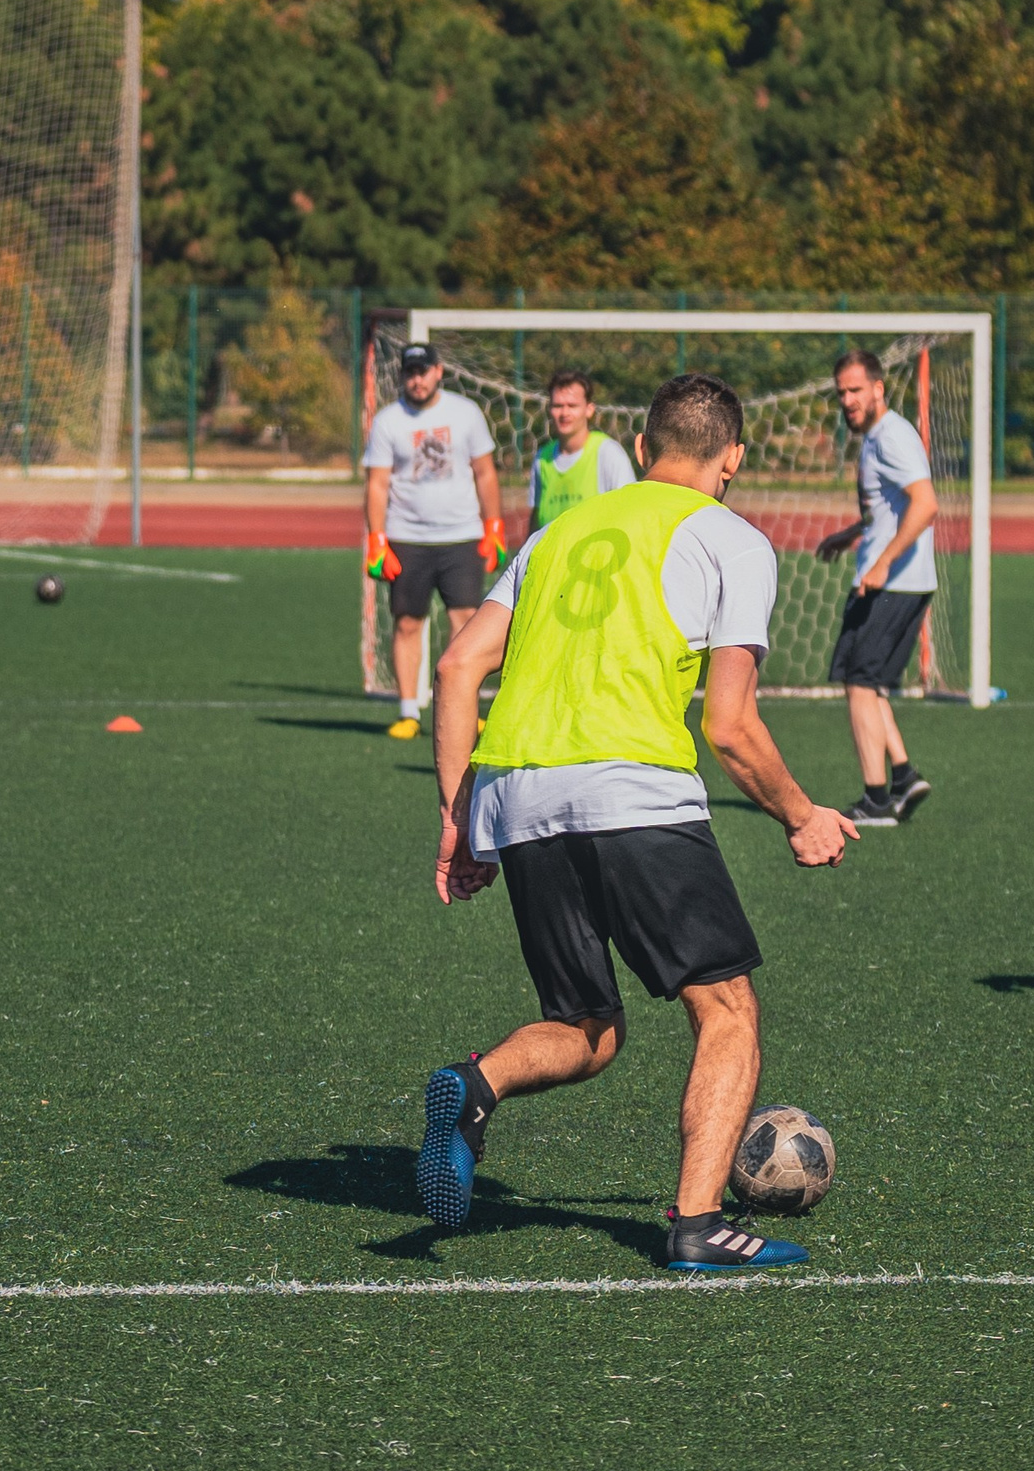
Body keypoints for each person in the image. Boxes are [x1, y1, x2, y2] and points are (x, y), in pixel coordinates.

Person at [420, 373, 860, 1272]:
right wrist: (800, 813)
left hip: (518, 792)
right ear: (732, 456)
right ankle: (697, 1224)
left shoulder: (554, 535)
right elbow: (729, 727)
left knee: (589, 1025)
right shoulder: (731, 538)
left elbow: (459, 665)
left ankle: (473, 1086)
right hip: (634, 790)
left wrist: (457, 812)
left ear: (643, 442)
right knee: (726, 1008)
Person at [815, 349, 937, 827]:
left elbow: (925, 505)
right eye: (842, 391)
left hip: (894, 582)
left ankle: (876, 800)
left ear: (879, 388)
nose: (847, 399)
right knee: (866, 681)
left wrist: (884, 563)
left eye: (856, 390)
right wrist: (851, 535)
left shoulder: (892, 436)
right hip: (890, 579)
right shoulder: (872, 438)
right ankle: (904, 777)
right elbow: (885, 512)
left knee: (860, 683)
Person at [363, 342, 505, 740]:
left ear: (438, 371)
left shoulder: (465, 413)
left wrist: (493, 527)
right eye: (410, 372)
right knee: (408, 622)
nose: (417, 379)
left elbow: (485, 473)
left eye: (423, 371)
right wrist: (377, 538)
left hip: (462, 536)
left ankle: (468, 708)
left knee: (466, 622)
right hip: (407, 537)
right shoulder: (389, 421)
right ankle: (409, 710)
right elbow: (376, 484)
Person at [528, 368, 634, 533]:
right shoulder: (543, 457)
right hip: (551, 557)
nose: (564, 413)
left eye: (572, 405)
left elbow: (629, 512)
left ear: (589, 409)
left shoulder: (607, 453)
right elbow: (535, 519)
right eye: (557, 406)